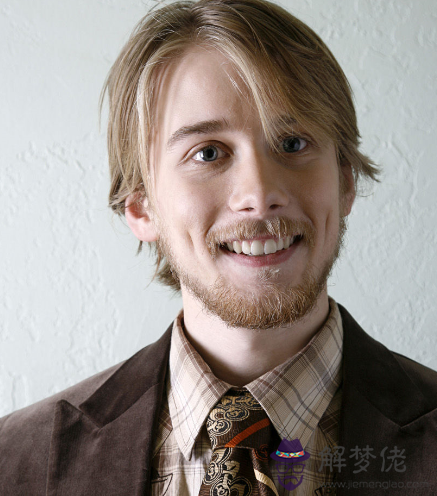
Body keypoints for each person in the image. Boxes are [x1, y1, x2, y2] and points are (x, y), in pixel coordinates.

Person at [1, 0, 436, 494]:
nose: (259, 194)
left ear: (346, 180)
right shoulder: (16, 463)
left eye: (292, 143)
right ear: (141, 206)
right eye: (207, 153)